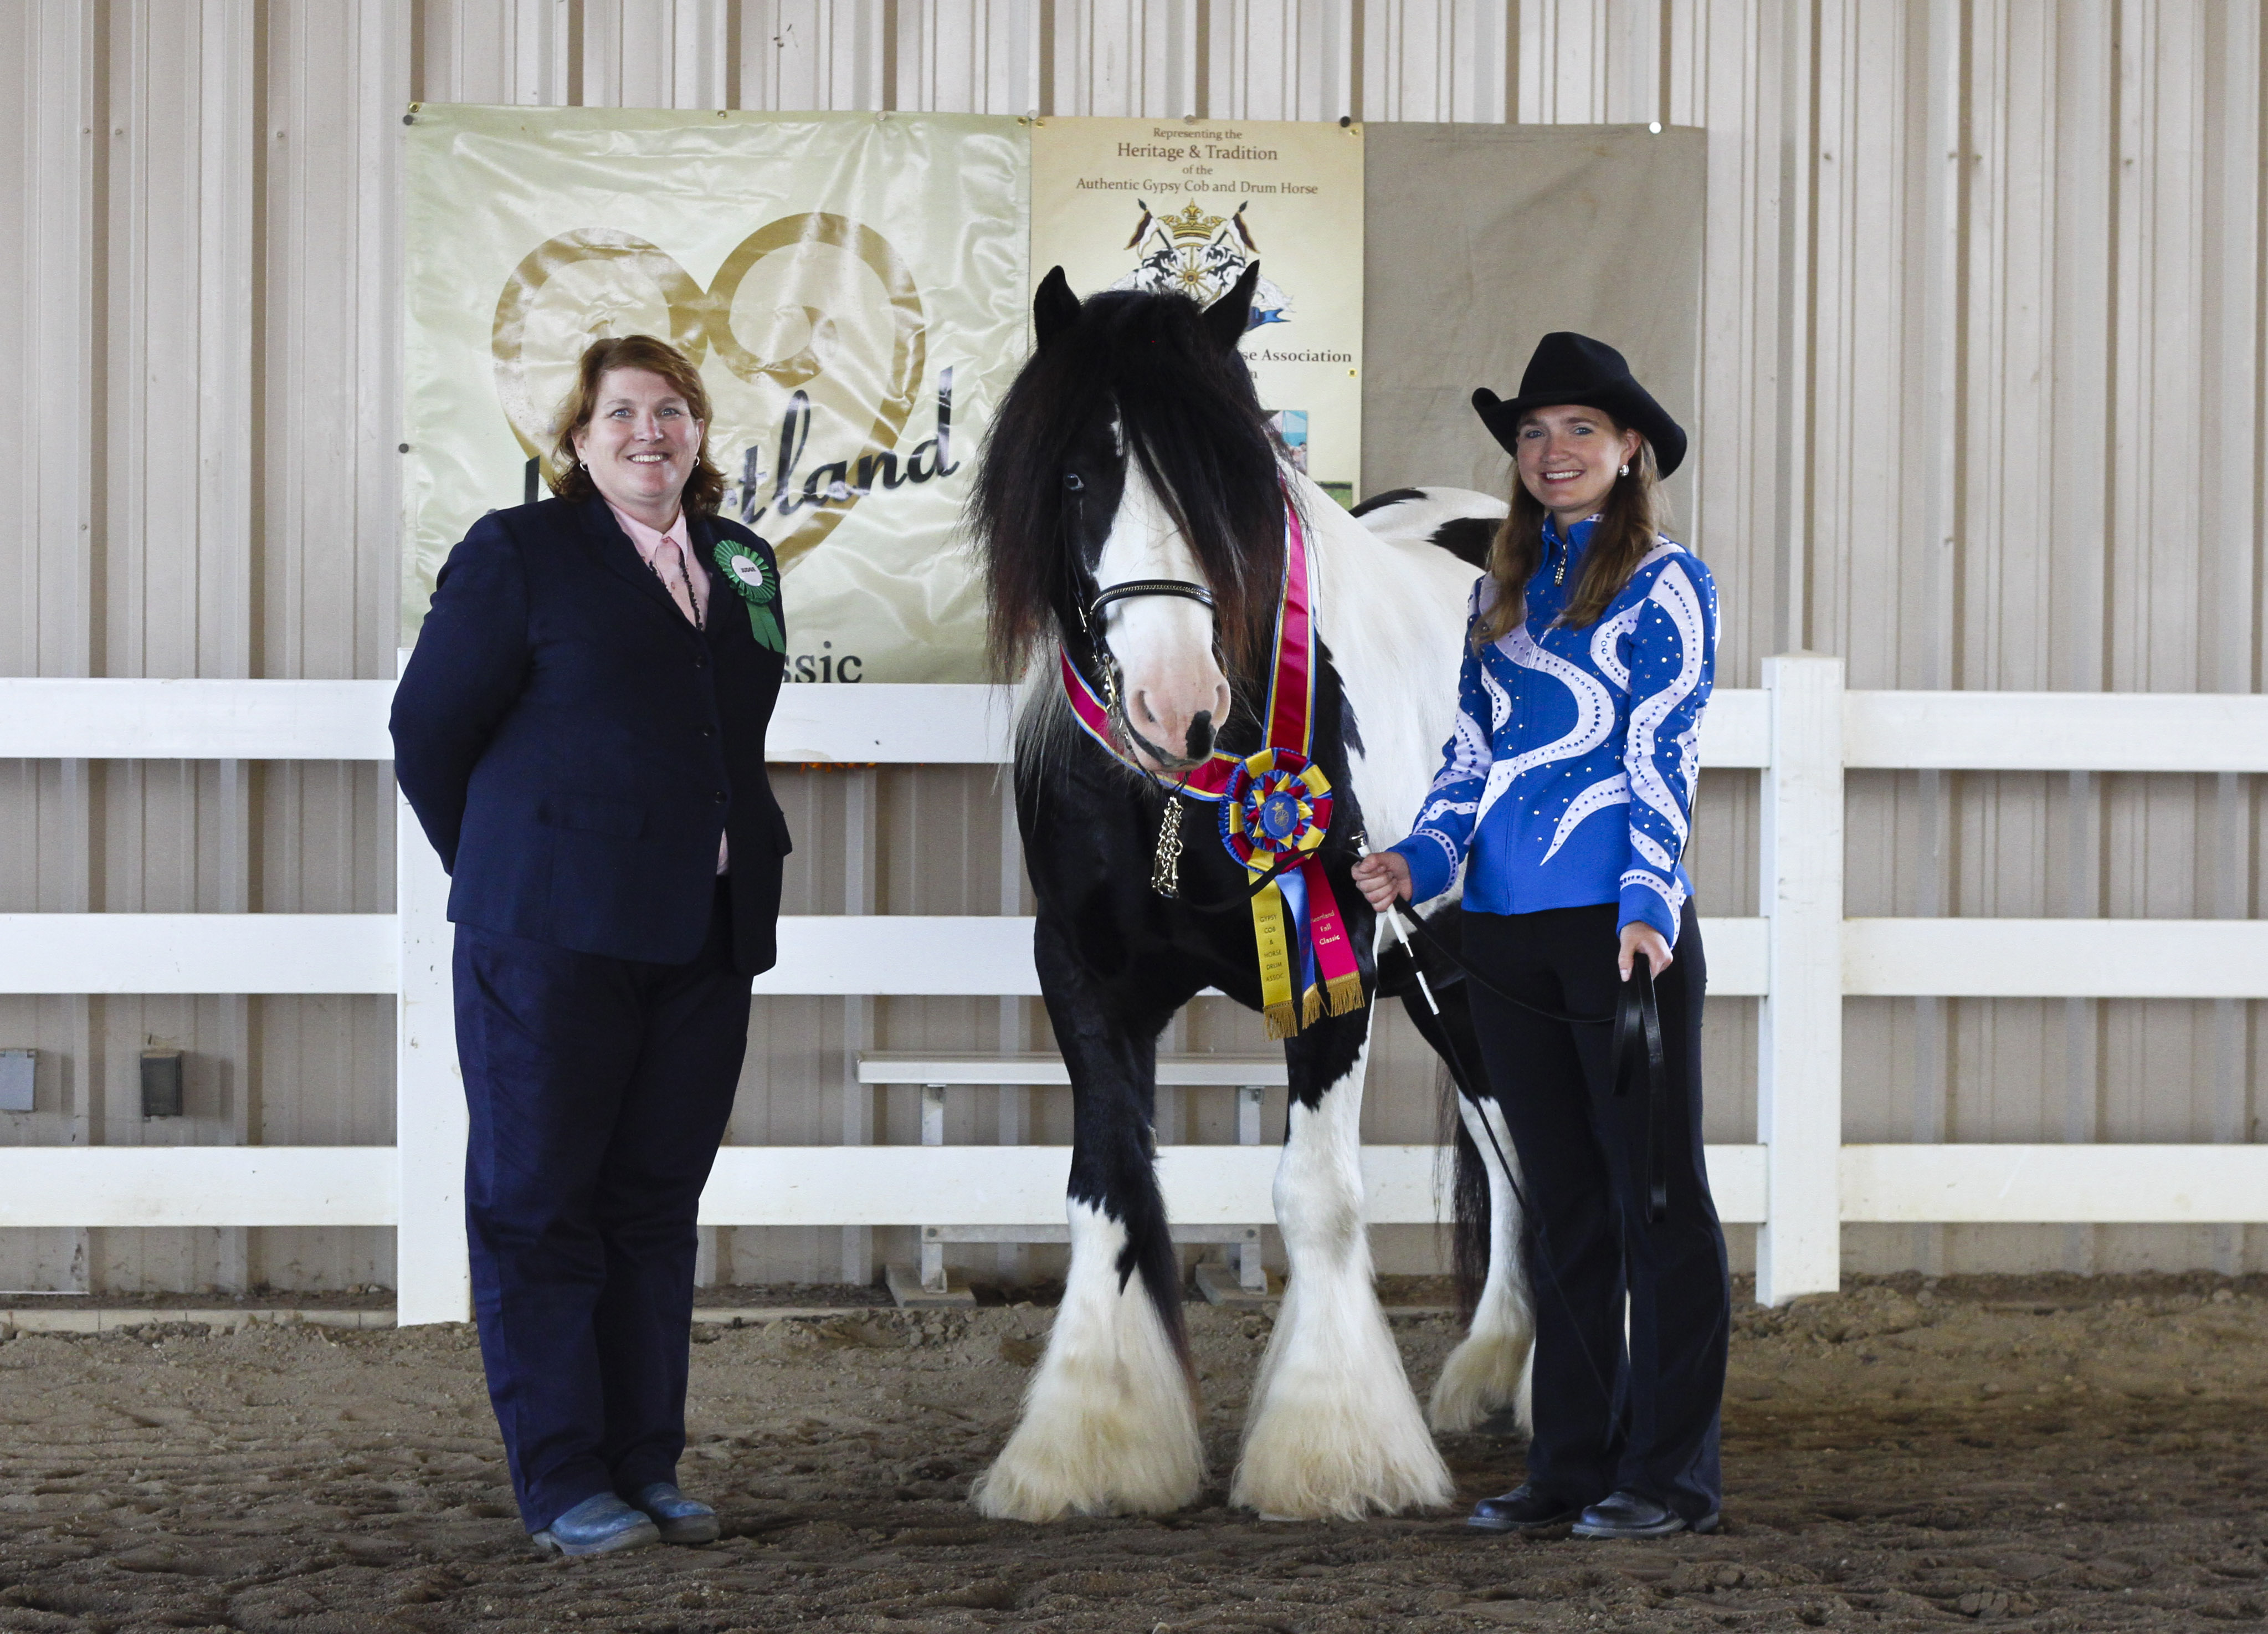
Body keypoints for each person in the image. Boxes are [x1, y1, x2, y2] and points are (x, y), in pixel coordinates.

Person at [392, 334, 791, 1557]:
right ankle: (564, 1479)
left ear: (700, 433)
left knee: (655, 1206)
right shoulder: (519, 553)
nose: (648, 432)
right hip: (551, 935)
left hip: (705, 933)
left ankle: (646, 1463)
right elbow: (427, 731)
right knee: (539, 1205)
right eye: (620, 412)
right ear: (576, 438)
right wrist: (516, 866)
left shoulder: (741, 559)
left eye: (671, 411)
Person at [1352, 332, 1729, 1540]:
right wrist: (1416, 855)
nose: (1551, 451)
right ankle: (1567, 1464)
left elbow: (1659, 750)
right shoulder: (1496, 595)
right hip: (1504, 940)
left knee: (1656, 1201)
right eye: (1531, 432)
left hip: (1620, 937)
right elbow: (1470, 758)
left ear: (1628, 452)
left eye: (1579, 430)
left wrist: (1645, 900)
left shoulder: (1666, 582)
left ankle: (1668, 1473)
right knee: (1561, 1204)